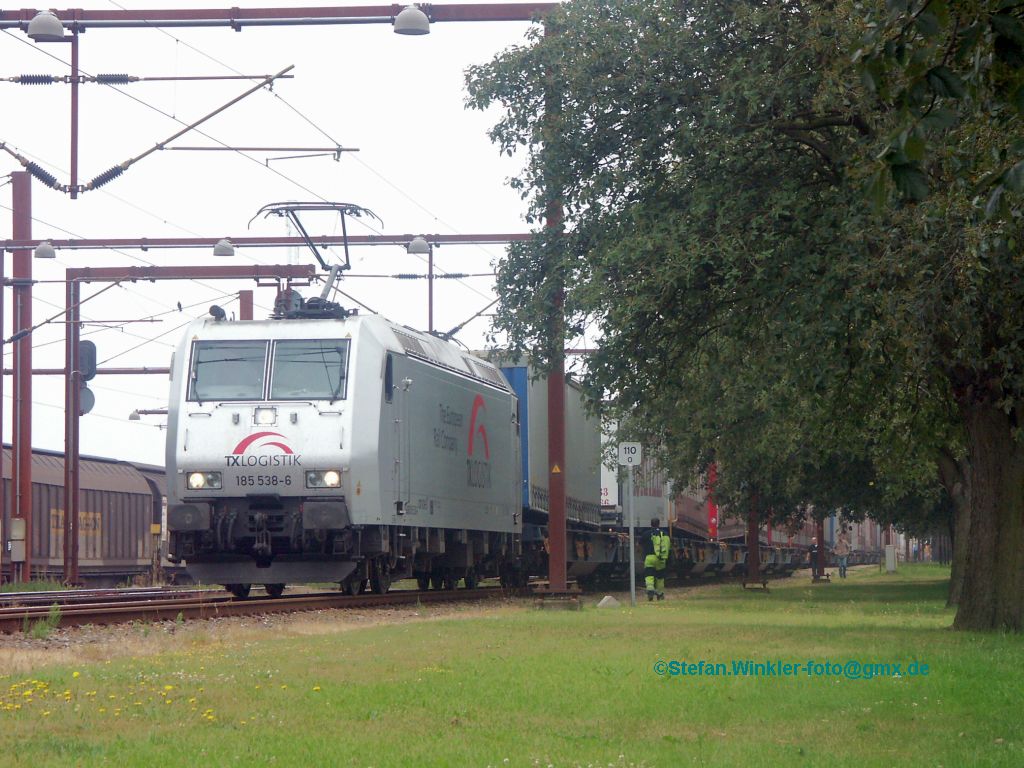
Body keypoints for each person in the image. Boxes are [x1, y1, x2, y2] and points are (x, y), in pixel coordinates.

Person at [644, 518, 671, 601]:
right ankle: (660, 594)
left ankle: (650, 590)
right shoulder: (664, 533)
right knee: (660, 578)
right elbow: (668, 546)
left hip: (649, 558)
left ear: (650, 524)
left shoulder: (646, 534)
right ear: (659, 524)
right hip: (660, 559)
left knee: (649, 576)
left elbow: (640, 545)